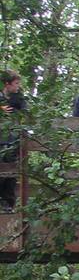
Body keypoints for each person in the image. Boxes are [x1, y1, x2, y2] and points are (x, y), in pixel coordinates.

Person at [0, 70, 26, 211]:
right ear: (7, 84)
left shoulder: (19, 99)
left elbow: (27, 114)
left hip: (12, 139)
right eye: (16, 83)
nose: (18, 86)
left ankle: (8, 202)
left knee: (11, 170)